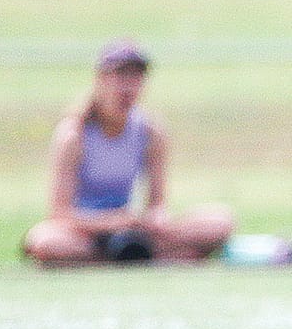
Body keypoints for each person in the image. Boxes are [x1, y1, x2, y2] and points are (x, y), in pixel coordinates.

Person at [22, 40, 234, 266]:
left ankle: (123, 257)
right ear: (101, 80)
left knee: (219, 221)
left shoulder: (150, 130)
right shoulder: (73, 135)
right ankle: (149, 258)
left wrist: (152, 220)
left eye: (136, 78)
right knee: (45, 242)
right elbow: (60, 213)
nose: (128, 87)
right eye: (120, 77)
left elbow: (157, 204)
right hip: (86, 232)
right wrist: (113, 222)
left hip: (133, 228)